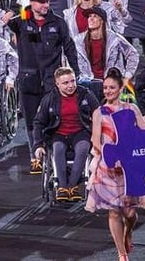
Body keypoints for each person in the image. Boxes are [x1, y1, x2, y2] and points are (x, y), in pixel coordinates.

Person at [7, 0, 79, 174]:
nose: (46, 5)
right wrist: (12, 12)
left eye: (47, 1)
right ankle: (35, 156)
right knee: (31, 121)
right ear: (32, 3)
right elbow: (3, 18)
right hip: (28, 80)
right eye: (41, 2)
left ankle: (53, 155)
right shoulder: (21, 22)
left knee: (53, 119)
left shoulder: (58, 23)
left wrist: (75, 73)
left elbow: (69, 47)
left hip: (51, 81)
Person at [85, 71, 145, 261]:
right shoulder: (99, 112)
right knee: (114, 212)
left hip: (129, 168)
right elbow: (96, 141)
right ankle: (122, 254)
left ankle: (128, 232)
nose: (107, 91)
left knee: (130, 213)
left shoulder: (131, 109)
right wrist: (109, 156)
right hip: (107, 168)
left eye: (112, 87)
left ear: (121, 88)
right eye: (105, 88)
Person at [33, 67, 99, 202]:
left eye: (73, 81)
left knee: (83, 149)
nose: (71, 85)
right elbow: (39, 122)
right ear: (57, 84)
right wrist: (38, 145)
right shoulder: (50, 99)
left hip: (81, 132)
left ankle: (72, 187)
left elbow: (99, 115)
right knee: (58, 150)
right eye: (66, 83)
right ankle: (62, 188)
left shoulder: (85, 94)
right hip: (59, 133)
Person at [73, 6, 139, 101]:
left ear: (102, 21)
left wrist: (127, 76)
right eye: (89, 16)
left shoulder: (114, 38)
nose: (90, 19)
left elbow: (133, 54)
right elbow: (69, 60)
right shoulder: (78, 40)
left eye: (94, 16)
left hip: (111, 83)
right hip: (88, 84)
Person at [62, 0, 130, 38]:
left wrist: (121, 9)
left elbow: (125, 20)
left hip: (102, 49)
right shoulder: (70, 14)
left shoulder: (106, 8)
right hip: (79, 50)